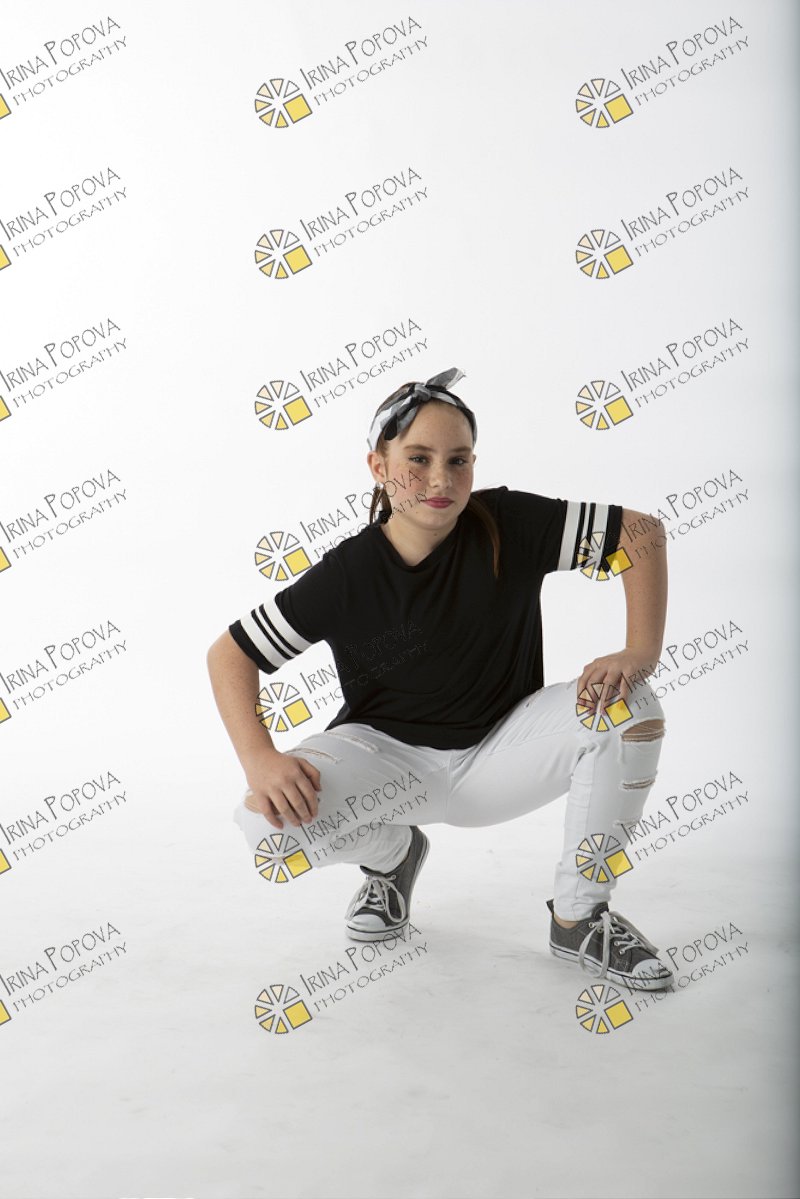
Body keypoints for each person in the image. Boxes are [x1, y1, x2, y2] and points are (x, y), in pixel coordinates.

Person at [206, 368, 672, 991]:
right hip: (388, 764)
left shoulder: (506, 522)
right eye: (418, 459)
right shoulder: (349, 573)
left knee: (629, 707)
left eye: (458, 460)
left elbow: (639, 533)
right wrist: (259, 758)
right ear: (378, 466)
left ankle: (579, 917)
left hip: (503, 753)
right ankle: (394, 856)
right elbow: (230, 654)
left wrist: (639, 650)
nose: (440, 480)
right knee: (267, 828)